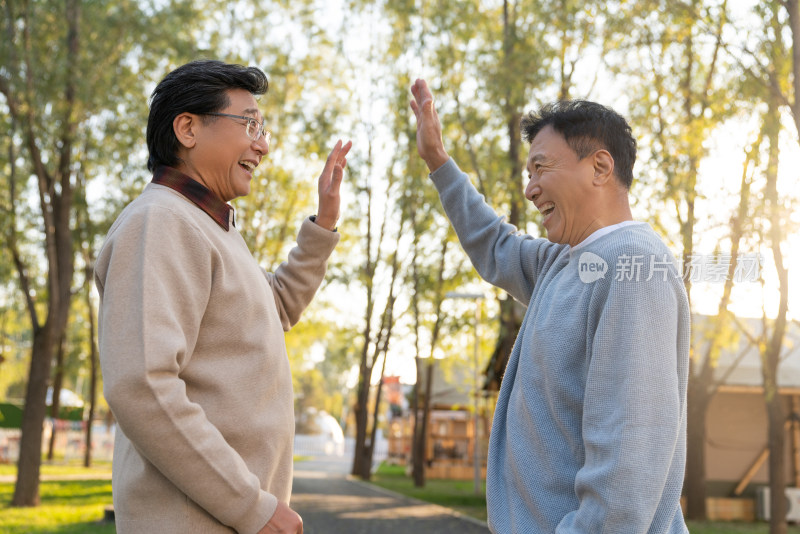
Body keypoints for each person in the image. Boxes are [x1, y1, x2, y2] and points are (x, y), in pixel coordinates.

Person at [410, 79, 690, 533]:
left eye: (541, 168)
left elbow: (628, 463)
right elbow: (495, 244)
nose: (530, 188)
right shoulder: (567, 260)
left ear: (600, 167)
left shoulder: (633, 265)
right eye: (528, 173)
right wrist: (438, 162)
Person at [95, 59, 351, 534]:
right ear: (188, 128)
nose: (263, 144)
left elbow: (271, 313)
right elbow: (142, 385)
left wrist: (323, 225)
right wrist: (251, 507)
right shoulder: (161, 222)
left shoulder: (212, 226)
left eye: (263, 126)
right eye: (249, 123)